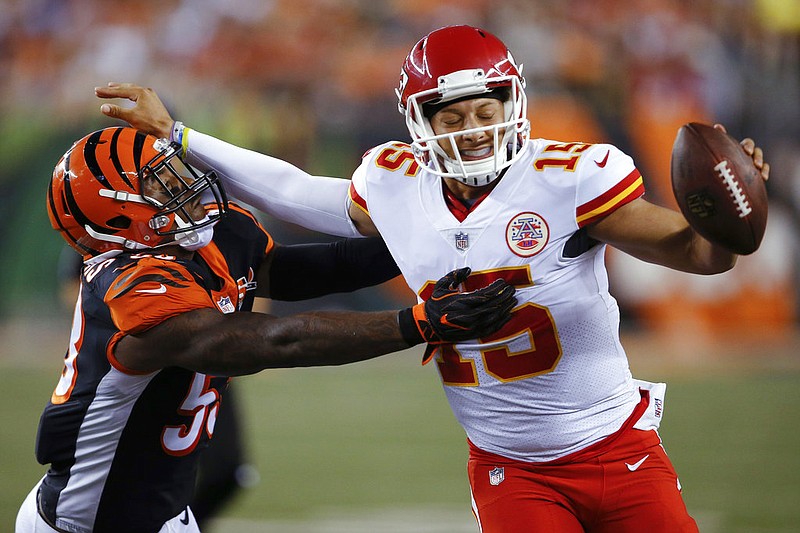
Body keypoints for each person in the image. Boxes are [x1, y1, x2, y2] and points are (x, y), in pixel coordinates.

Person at [95, 25, 771, 533]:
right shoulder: (396, 182)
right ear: (420, 121)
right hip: (512, 468)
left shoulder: (571, 177)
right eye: (452, 116)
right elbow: (296, 190)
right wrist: (181, 136)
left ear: (513, 103)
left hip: (616, 446)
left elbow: (698, 257)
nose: (473, 129)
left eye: (484, 111)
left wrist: (729, 220)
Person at [17, 125, 516, 533]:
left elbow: (317, 269)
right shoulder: (127, 280)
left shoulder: (212, 239)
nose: (184, 185)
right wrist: (416, 323)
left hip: (168, 512)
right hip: (86, 524)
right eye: (161, 184)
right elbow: (271, 339)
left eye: (173, 171)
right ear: (118, 211)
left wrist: (447, 235)